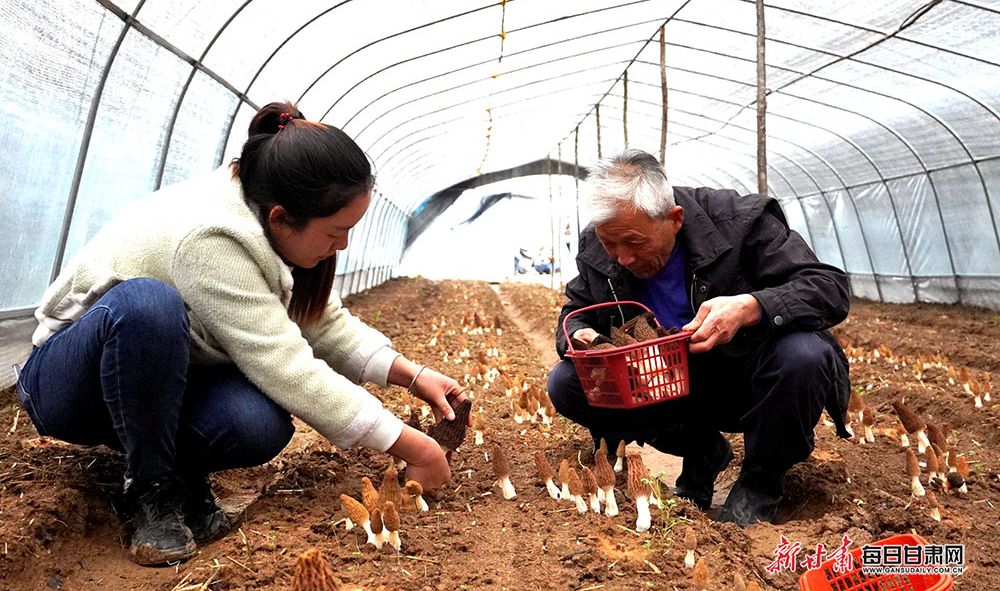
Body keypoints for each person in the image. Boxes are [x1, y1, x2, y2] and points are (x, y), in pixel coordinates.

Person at [16, 102, 465, 565]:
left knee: (257, 423)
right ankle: (150, 491)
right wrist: (414, 445)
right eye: (336, 231)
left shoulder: (274, 219)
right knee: (148, 305)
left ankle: (174, 465)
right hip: (71, 383)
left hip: (155, 381)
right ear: (279, 217)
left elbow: (321, 322)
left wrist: (413, 375)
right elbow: (284, 364)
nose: (344, 244)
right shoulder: (213, 237)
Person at [547, 149, 850, 526]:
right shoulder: (598, 243)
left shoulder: (741, 221)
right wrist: (581, 335)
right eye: (611, 244)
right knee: (566, 383)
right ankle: (703, 449)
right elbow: (574, 311)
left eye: (634, 243)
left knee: (805, 355)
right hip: (662, 384)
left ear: (675, 219)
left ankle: (760, 484)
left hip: (746, 377)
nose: (622, 258)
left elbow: (829, 288)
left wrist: (750, 306)